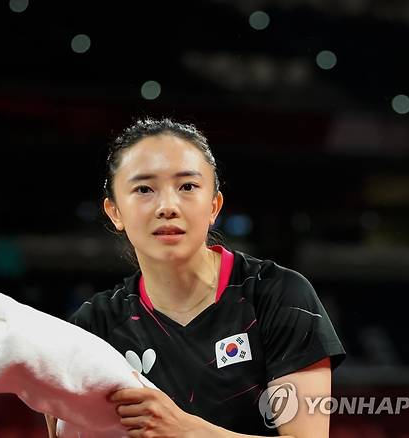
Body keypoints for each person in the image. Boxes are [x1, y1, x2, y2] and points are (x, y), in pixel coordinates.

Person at [45, 118, 346, 437]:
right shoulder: (93, 329)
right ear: (115, 211)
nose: (167, 206)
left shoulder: (279, 295)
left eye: (187, 186)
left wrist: (183, 430)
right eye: (144, 189)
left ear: (214, 206)